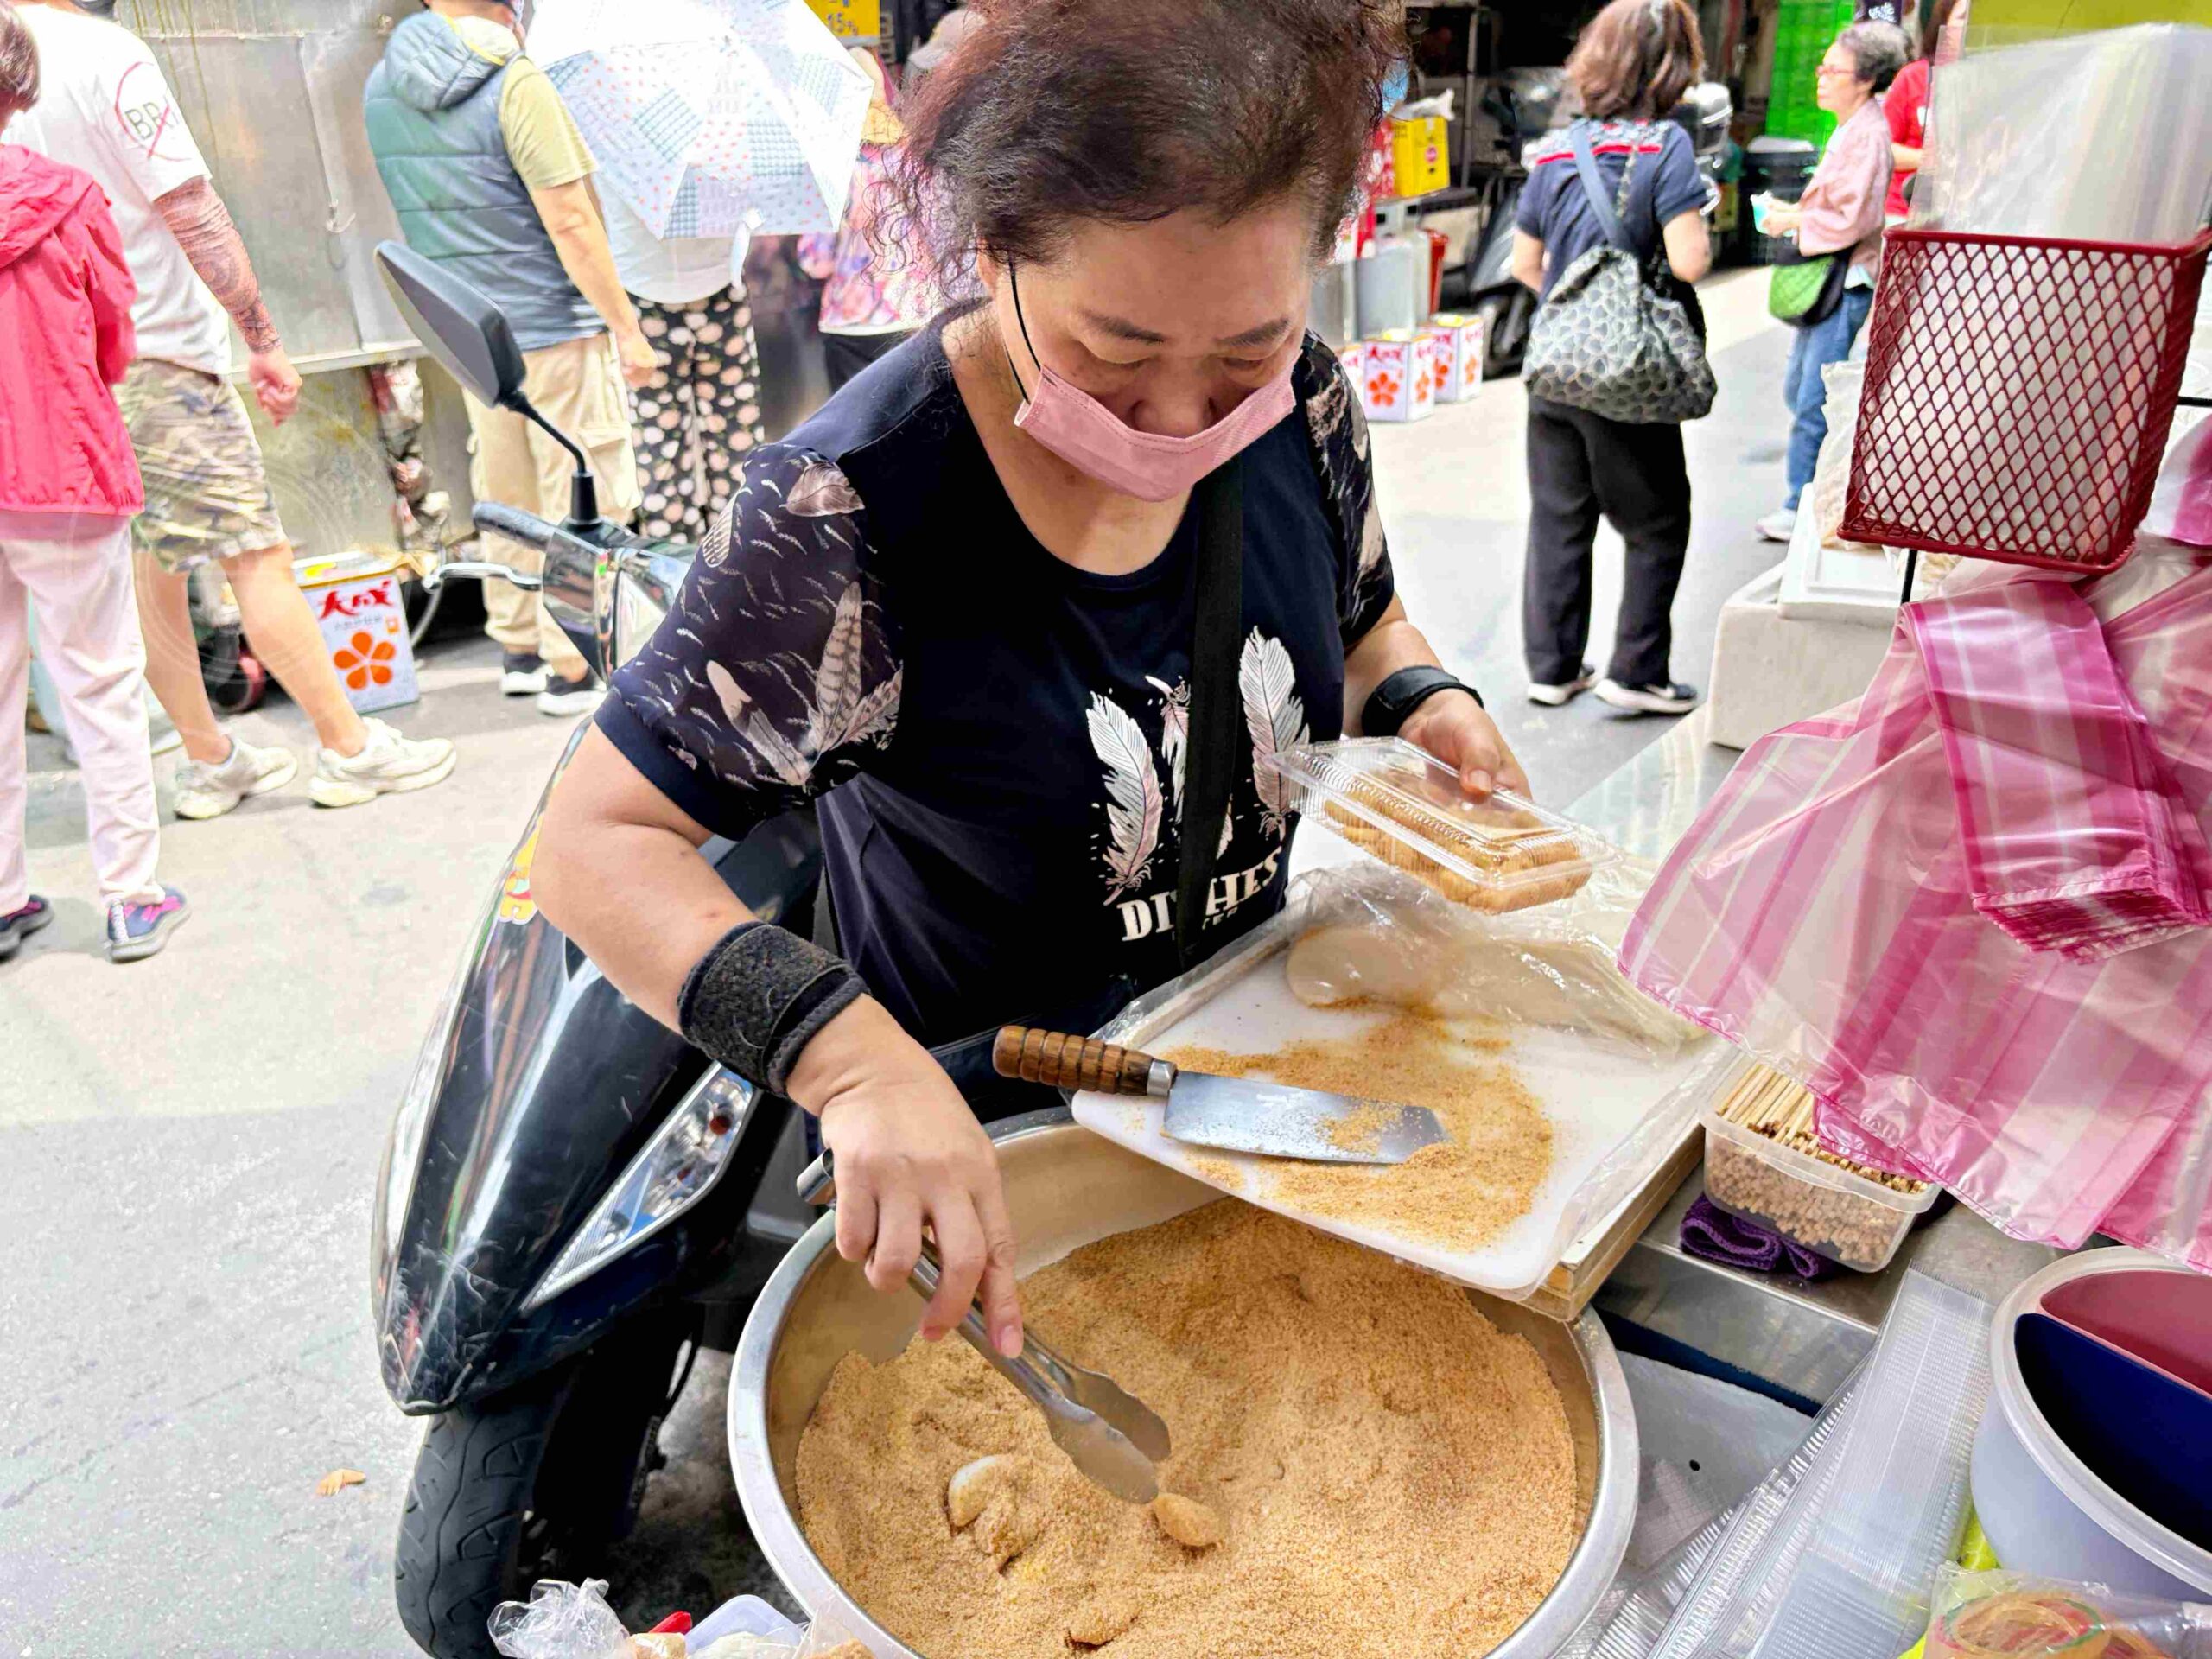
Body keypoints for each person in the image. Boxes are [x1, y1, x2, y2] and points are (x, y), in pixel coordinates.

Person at [530, 0, 1529, 1356]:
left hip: (1250, 1102)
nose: (1186, 422)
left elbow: (1366, 624)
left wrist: (1428, 704)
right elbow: (596, 844)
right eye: (1115, 357)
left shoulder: (1310, 413)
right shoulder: (850, 511)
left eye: (1244, 349)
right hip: (993, 1155)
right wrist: (850, 1064)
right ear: (995, 251)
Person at [10, 0, 458, 817]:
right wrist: (262, 334)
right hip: (155, 352)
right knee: (255, 553)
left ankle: (211, 759)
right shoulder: (104, 51)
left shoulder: (13, 56)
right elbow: (188, 205)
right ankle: (349, 749)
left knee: (156, 564)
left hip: (62, 363)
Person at [364, 0, 654, 714]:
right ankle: (574, 664)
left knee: (508, 494)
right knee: (581, 490)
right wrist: (626, 325)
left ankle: (520, 647)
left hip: (470, 331)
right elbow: (571, 219)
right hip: (554, 322)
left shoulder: (382, 86)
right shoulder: (516, 81)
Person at [0, 4, 186, 961]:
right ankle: (130, 895)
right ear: (19, 90)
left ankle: (2, 898)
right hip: (60, 468)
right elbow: (116, 336)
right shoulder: (68, 201)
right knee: (101, 683)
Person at [1510, 0, 1713, 716]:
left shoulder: (1557, 150)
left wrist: (1577, 304)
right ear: (1671, 66)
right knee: (1658, 522)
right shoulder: (1667, 147)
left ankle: (1553, 668)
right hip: (1626, 372)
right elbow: (1688, 262)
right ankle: (1637, 671)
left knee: (1559, 516)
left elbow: (1523, 262)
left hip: (1555, 364)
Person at [1754, 22, 1905, 543]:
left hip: (1845, 280)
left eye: (1832, 70)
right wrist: (1795, 212)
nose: (1821, 78)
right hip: (1835, 277)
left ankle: (1801, 502)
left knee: (1814, 393)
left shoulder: (1867, 134)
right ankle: (1807, 497)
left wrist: (1792, 221)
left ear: (1864, 81)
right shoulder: (1853, 127)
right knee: (1804, 387)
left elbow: (1854, 221)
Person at [797, 48, 969, 392]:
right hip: (914, 319)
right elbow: (943, 238)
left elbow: (815, 261)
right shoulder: (918, 160)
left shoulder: (833, 168)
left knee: (854, 438)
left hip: (850, 323)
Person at [602, 193, 766, 544]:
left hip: (651, 292)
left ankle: (673, 569)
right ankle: (740, 554)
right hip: (698, 291)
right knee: (736, 442)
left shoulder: (605, 140)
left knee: (659, 450)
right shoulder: (719, 140)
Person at [1884, 1, 1955, 221]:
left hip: (1956, 214)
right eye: (1962, 18)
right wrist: (1930, 159)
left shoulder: (1982, 83)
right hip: (1902, 213)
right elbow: (1883, 148)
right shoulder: (1913, 77)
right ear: (1944, 23)